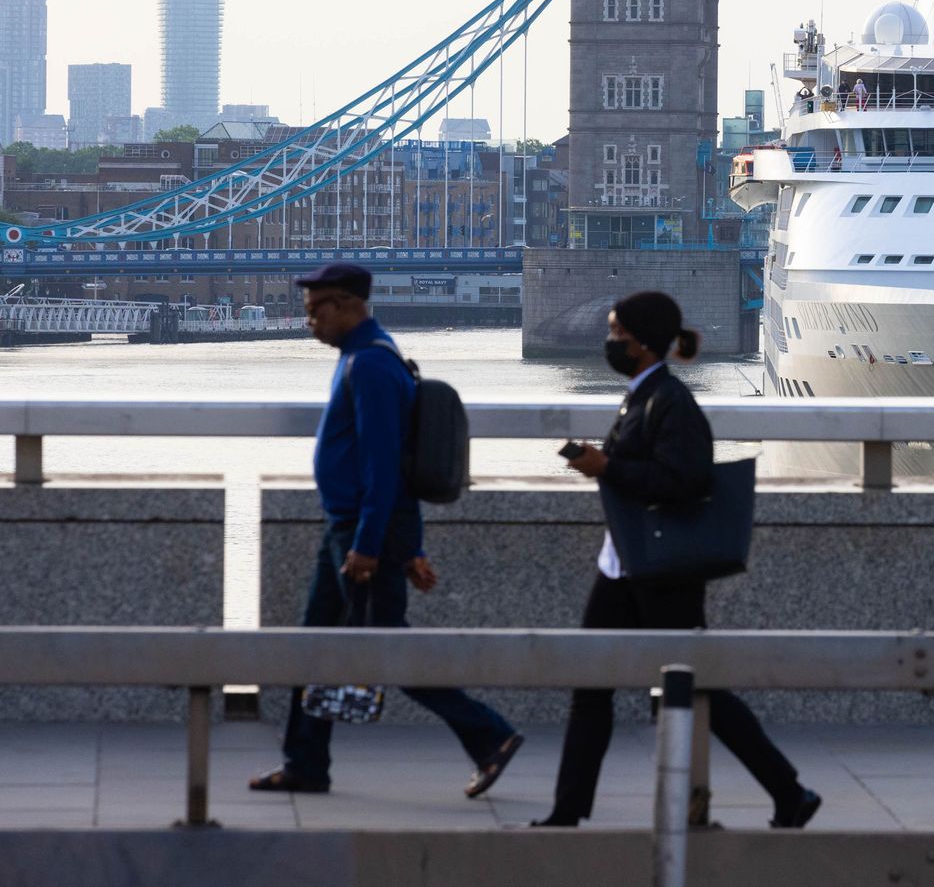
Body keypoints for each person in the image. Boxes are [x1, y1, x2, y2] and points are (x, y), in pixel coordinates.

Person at [534, 292, 820, 830]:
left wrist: (606, 467)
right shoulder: (644, 395)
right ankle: (567, 811)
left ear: (642, 343)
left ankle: (787, 790)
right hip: (625, 562)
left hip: (662, 570)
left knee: (692, 688)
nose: (610, 341)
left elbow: (683, 483)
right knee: (592, 685)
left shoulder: (670, 403)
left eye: (617, 333)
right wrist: (607, 465)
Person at [250, 263, 523, 798]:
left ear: (349, 305)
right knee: (317, 648)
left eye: (316, 310)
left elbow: (382, 464)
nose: (310, 322)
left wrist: (372, 547)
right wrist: (407, 547)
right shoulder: (366, 355)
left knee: (386, 649)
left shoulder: (371, 365)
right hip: (352, 528)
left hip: (359, 532)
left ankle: (489, 735)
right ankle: (305, 762)